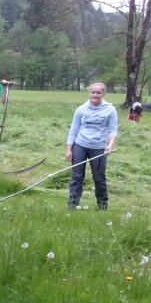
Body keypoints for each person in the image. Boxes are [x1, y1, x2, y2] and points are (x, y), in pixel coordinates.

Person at [66, 82, 119, 211]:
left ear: (103, 94)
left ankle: (102, 206)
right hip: (80, 145)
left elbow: (113, 129)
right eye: (93, 92)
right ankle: (73, 205)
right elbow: (73, 130)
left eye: (98, 93)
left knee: (99, 178)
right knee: (77, 176)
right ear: (89, 93)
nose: (95, 95)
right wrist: (69, 149)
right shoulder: (81, 109)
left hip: (99, 147)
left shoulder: (110, 110)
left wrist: (110, 145)